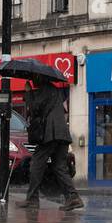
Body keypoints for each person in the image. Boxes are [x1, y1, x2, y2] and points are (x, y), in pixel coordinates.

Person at [22, 79, 84, 211]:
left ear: (38, 77)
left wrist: (28, 93)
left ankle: (32, 199)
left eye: (34, 79)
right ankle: (73, 198)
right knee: (59, 166)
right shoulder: (56, 91)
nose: (33, 82)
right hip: (62, 134)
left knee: (36, 164)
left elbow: (34, 109)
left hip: (50, 134)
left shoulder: (44, 90)